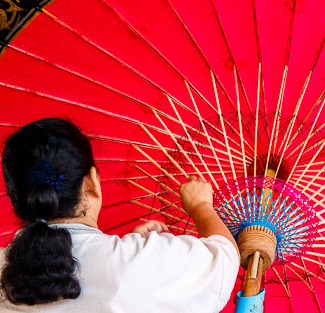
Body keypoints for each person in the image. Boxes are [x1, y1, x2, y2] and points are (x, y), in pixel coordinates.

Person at [0, 118, 240, 312]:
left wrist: (132, 253)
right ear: (91, 182)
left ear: (17, 199)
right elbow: (224, 259)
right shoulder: (137, 265)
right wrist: (201, 206)